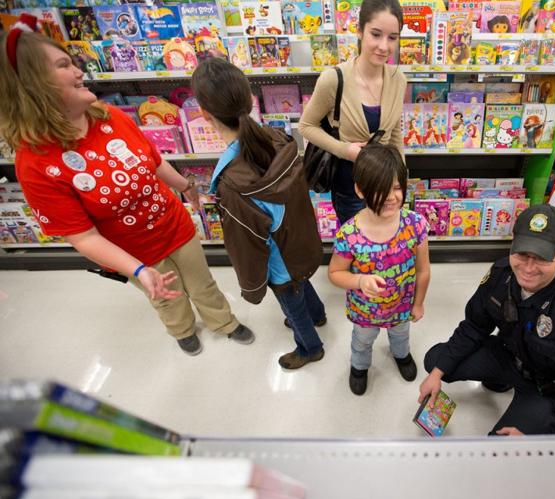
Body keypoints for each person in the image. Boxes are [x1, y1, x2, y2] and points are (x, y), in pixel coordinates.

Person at [0, 23, 252, 356]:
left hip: (176, 225)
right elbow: (82, 236)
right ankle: (182, 329)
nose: (78, 71)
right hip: (133, 252)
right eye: (63, 66)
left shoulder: (110, 116)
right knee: (163, 293)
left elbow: (152, 161)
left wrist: (186, 186)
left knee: (203, 283)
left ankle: (223, 322)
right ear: (30, 88)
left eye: (72, 62)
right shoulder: (35, 163)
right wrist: (137, 269)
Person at [419, 204, 555, 435]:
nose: (528, 268)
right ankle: (500, 382)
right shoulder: (501, 273)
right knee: (436, 360)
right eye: (522, 253)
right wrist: (437, 373)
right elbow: (474, 326)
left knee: (499, 452)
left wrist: (542, 438)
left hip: (549, 389)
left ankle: (533, 411)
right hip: (511, 358)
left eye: (542, 258)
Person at [191, 58, 326, 370]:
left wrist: (252, 287)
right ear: (249, 99)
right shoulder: (278, 138)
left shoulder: (231, 182)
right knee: (302, 281)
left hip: (279, 263)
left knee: (291, 302)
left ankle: (310, 347)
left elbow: (246, 248)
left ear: (204, 114)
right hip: (301, 242)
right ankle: (318, 315)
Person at [328, 144, 430, 395]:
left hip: (402, 306)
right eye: (380, 189)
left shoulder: (415, 224)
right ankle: (359, 367)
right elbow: (335, 273)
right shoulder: (349, 234)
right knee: (362, 341)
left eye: (397, 187)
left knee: (401, 335)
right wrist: (360, 281)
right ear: (360, 190)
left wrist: (418, 303)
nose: (391, 196)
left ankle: (401, 355)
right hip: (366, 311)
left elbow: (423, 270)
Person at [299, 0, 406, 224]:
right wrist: (346, 150)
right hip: (350, 188)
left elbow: (395, 132)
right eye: (375, 34)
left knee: (386, 247)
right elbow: (306, 126)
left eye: (392, 37)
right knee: (358, 250)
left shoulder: (398, 80)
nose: (384, 46)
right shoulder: (333, 79)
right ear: (359, 31)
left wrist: (400, 180)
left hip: (386, 187)